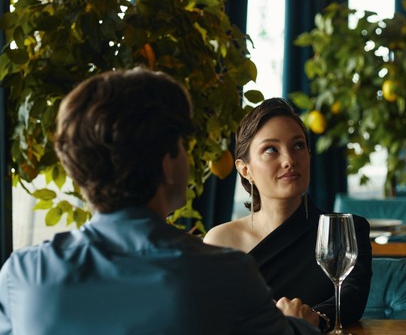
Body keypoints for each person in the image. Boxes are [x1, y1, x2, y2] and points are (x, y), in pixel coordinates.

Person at [0, 68, 318, 335]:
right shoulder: (224, 273)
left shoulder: (24, 274)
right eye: (180, 144)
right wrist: (298, 325)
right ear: (167, 163)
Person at [203, 98, 372, 333]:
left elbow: (351, 298)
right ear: (245, 169)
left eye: (298, 146)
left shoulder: (345, 228)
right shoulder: (219, 241)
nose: (289, 161)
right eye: (271, 149)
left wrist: (314, 318)